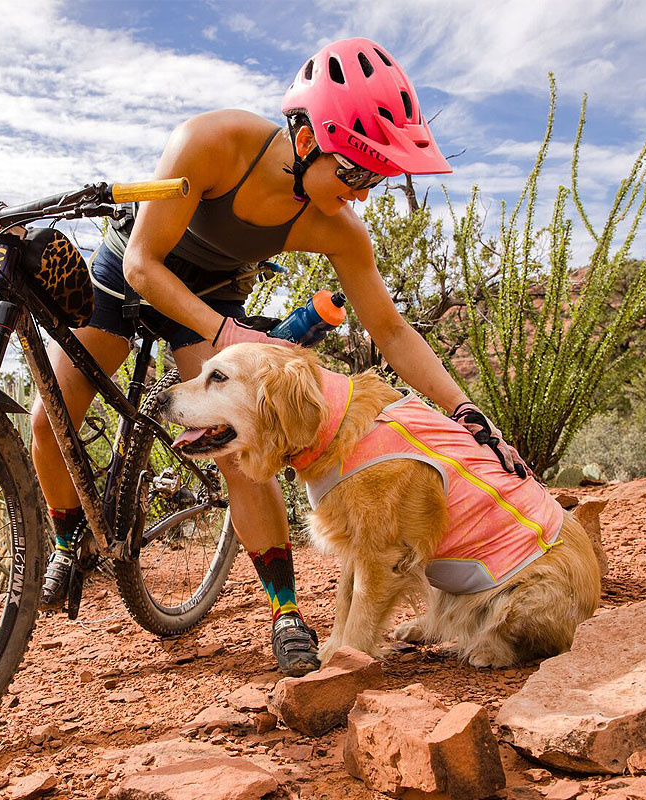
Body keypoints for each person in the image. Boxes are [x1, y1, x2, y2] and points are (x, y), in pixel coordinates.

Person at [31, 37, 529, 676]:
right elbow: (143, 264)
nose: (363, 195)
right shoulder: (214, 141)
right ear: (305, 137)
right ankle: (70, 542)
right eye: (354, 173)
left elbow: (392, 330)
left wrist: (464, 409)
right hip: (135, 268)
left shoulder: (336, 227)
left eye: (375, 178)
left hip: (214, 292)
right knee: (49, 424)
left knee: (242, 453)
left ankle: (285, 609)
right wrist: (235, 341)